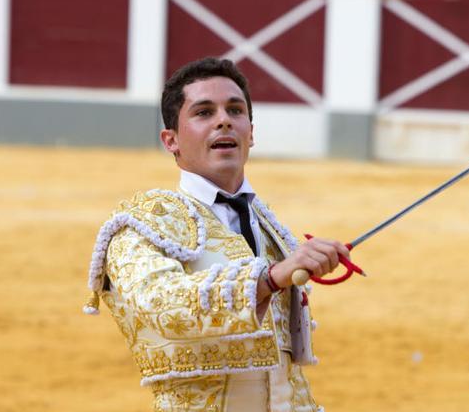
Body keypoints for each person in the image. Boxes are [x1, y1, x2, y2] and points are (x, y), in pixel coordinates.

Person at [83, 57, 350, 411]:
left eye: (235, 110)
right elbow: (165, 307)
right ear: (171, 140)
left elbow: (286, 376)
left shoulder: (270, 229)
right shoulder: (142, 224)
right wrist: (270, 279)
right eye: (204, 112)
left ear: (250, 133)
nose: (224, 120)